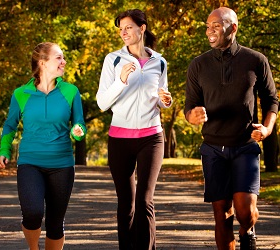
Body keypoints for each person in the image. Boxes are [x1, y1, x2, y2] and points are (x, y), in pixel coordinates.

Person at [184, 7, 279, 250]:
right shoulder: (198, 65)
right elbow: (189, 108)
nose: (210, 31)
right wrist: (192, 116)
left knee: (244, 210)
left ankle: (248, 229)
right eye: (207, 26)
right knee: (222, 214)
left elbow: (271, 101)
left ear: (233, 28)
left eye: (216, 26)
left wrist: (266, 130)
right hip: (213, 148)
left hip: (245, 145)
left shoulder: (256, 60)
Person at [0, 42, 86, 250]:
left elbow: (79, 123)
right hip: (30, 162)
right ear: (43, 63)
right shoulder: (21, 94)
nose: (64, 62)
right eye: (59, 58)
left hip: (62, 164)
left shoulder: (71, 91)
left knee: (55, 223)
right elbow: (10, 124)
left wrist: (77, 132)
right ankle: (33, 247)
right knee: (33, 212)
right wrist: (4, 150)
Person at [96, 9, 172, 250]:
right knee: (126, 203)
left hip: (151, 137)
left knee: (145, 200)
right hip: (119, 138)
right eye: (120, 29)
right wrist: (120, 81)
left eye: (128, 27)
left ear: (142, 28)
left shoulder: (159, 62)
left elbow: (160, 97)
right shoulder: (113, 60)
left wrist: (165, 101)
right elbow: (102, 102)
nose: (123, 32)